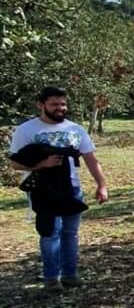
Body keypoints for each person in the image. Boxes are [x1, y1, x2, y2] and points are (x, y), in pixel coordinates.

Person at [8, 86, 109, 292]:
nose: (60, 108)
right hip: (42, 189)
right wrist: (41, 165)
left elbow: (91, 159)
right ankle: (51, 278)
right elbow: (15, 163)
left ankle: (70, 275)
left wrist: (102, 185)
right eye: (54, 104)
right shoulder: (27, 130)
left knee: (70, 233)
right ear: (41, 104)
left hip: (71, 188)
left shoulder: (75, 130)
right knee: (50, 233)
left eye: (63, 104)